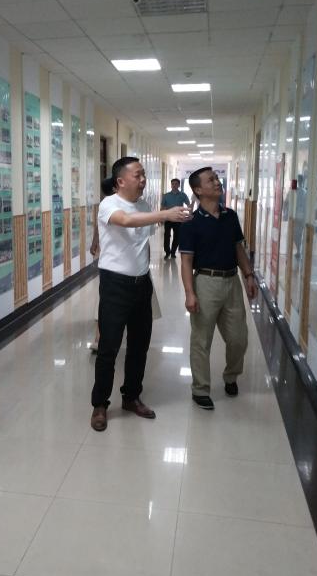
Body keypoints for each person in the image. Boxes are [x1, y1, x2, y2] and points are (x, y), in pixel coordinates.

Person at [91, 157, 188, 431]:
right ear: (121, 181)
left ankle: (131, 397)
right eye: (138, 175)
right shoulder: (109, 204)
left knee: (139, 346)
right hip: (114, 285)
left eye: (144, 174)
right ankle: (100, 404)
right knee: (108, 347)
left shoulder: (144, 205)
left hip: (141, 284)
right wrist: (164, 215)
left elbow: (141, 235)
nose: (143, 179)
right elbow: (126, 221)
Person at [179, 166, 258, 411]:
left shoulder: (230, 216)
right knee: (201, 339)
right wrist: (189, 293)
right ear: (198, 190)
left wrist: (248, 275)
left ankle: (231, 376)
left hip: (232, 282)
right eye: (211, 180)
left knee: (238, 338)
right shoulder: (191, 223)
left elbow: (238, 249)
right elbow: (186, 261)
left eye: (216, 178)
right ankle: (200, 389)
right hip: (206, 282)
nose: (217, 182)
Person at [89, 176, 116, 353]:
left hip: (130, 265)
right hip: (111, 262)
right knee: (105, 301)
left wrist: (94, 242)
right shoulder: (108, 205)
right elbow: (99, 226)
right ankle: (99, 337)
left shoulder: (131, 203)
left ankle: (101, 337)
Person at [161, 178, 191, 259]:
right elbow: (163, 207)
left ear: (179, 185)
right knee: (167, 236)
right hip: (168, 218)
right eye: (173, 184)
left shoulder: (183, 195)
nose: (174, 185)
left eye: (176, 184)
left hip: (178, 219)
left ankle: (173, 252)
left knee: (177, 236)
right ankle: (167, 252)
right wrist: (161, 218)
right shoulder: (166, 195)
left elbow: (188, 205)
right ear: (171, 185)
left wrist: (189, 214)